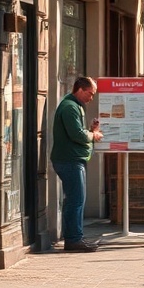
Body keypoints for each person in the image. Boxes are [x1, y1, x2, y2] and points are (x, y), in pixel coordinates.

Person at [50, 76, 104, 252]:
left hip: (73, 159)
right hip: (70, 160)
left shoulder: (75, 106)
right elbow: (77, 134)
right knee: (76, 200)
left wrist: (90, 130)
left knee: (75, 199)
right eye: (90, 93)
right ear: (80, 89)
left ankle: (75, 238)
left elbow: (77, 132)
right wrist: (93, 135)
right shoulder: (70, 107)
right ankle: (73, 240)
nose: (91, 98)